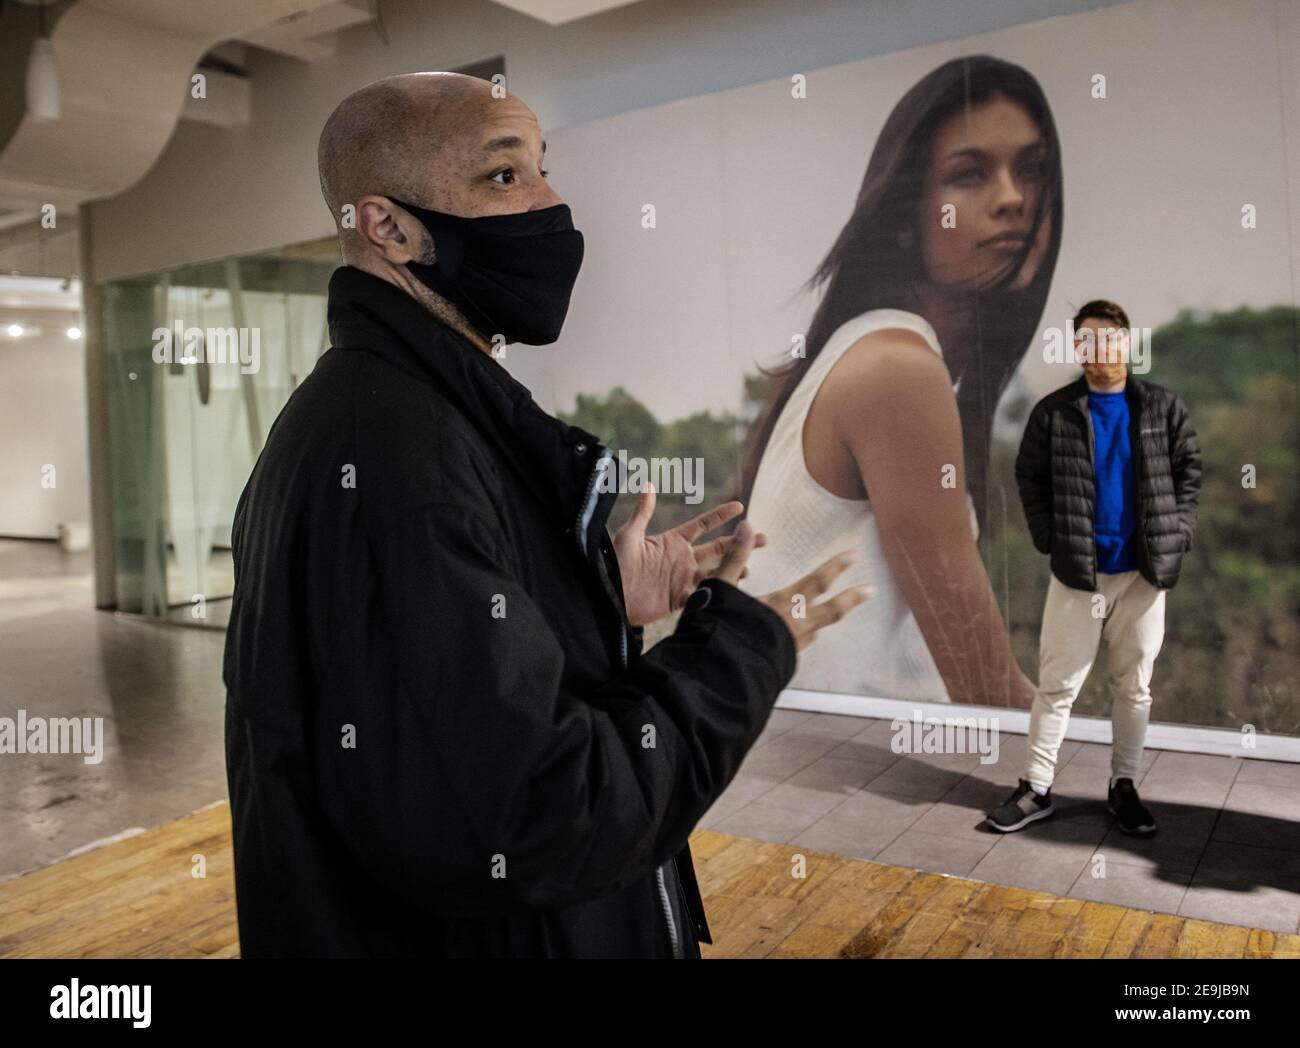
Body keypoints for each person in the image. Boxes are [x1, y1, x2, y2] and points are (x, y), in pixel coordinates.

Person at [221, 71, 870, 958]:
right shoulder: (393, 458)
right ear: (389, 227)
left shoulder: (409, 416)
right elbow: (542, 813)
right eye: (504, 177)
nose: (552, 205)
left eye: (541, 169)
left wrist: (592, 602)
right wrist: (743, 651)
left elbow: (455, 709)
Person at [738, 56, 1060, 707]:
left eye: (1031, 170)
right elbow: (988, 693)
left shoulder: (875, 348)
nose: (1012, 198)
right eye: (969, 175)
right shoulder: (898, 369)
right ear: (909, 215)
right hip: (820, 785)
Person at [987, 300, 1201, 835]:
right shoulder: (1054, 411)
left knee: (1134, 687)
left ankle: (1123, 786)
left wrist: (1177, 535)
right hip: (1079, 572)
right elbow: (1029, 478)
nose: (1098, 348)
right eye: (1086, 339)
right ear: (1076, 347)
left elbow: (1188, 473)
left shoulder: (1162, 408)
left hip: (1144, 574)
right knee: (1058, 685)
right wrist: (1051, 540)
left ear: (1127, 344)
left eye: (1108, 338)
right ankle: (1036, 788)